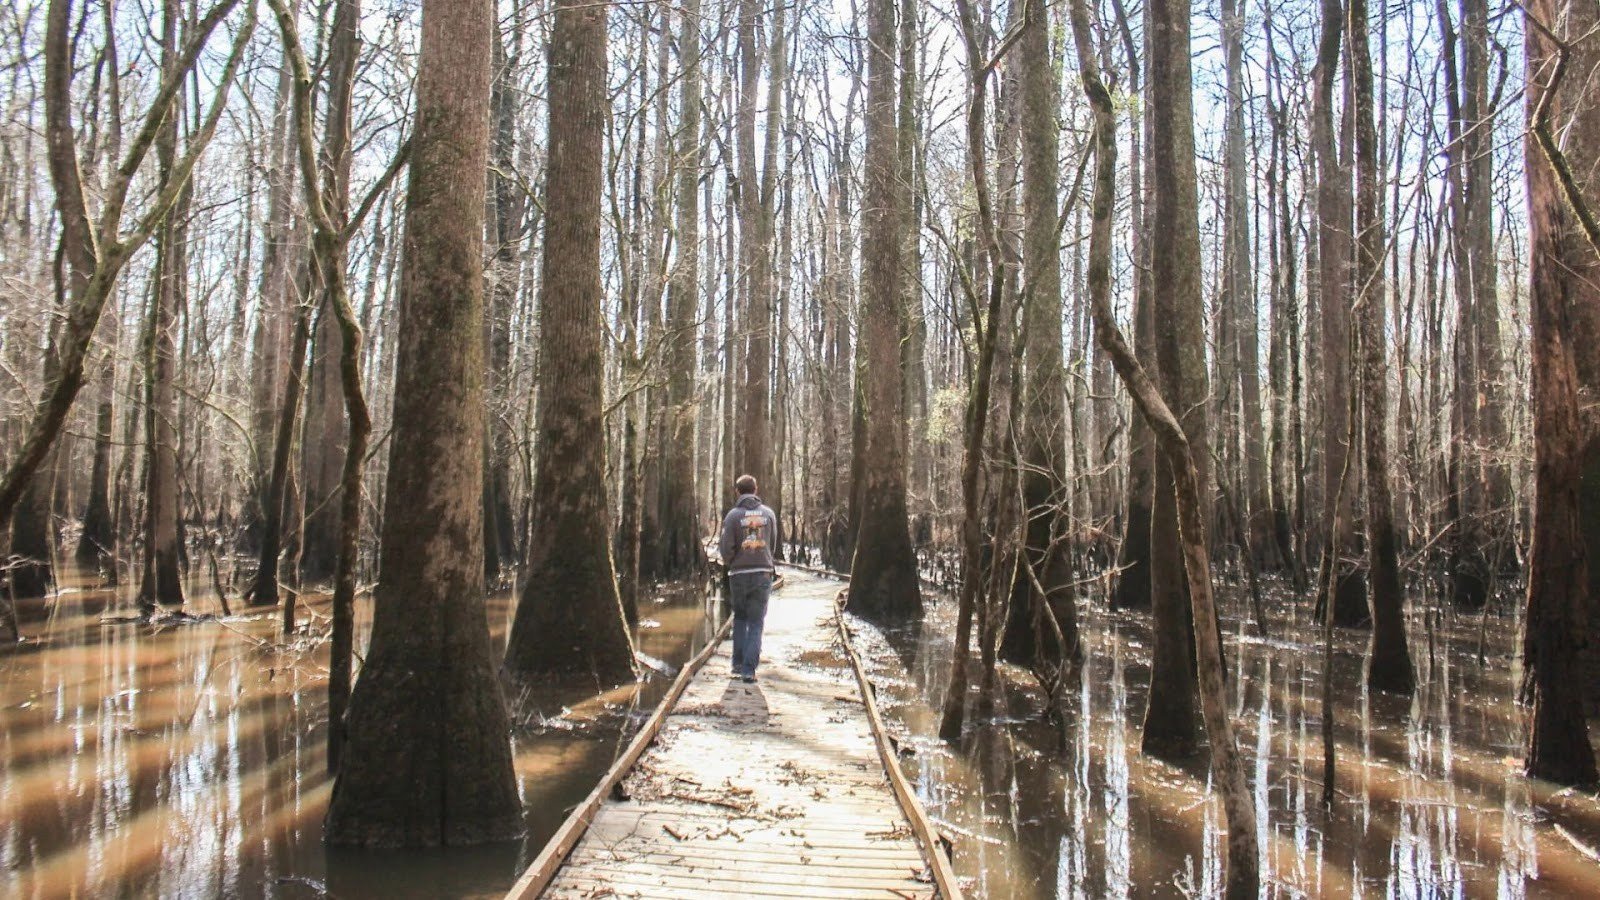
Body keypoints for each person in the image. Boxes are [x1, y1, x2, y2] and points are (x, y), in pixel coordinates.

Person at [718, 474, 780, 683]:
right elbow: (772, 543)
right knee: (756, 621)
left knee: (740, 618)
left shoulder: (732, 516)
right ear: (756, 489)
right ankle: (748, 670)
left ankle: (737, 665)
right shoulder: (768, 514)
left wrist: (731, 562)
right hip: (763, 573)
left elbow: (726, 547)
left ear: (737, 491)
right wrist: (766, 560)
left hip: (739, 574)